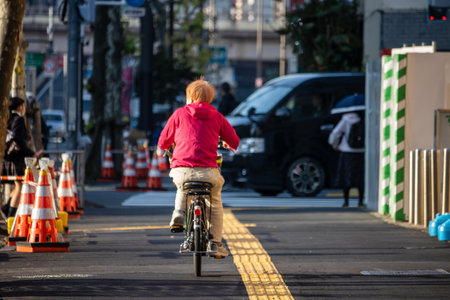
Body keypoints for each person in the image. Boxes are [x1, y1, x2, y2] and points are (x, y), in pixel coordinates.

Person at [157, 79, 240, 258]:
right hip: (208, 171)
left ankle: (179, 212)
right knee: (215, 202)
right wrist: (226, 143)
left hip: (182, 170)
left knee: (182, 187)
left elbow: (163, 141)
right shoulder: (218, 116)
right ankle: (216, 243)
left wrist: (166, 147)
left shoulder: (179, 114)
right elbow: (234, 142)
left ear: (190, 97)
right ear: (210, 98)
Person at [2, 97, 42, 218]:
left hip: (8, 158)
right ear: (20, 107)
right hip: (17, 159)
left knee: (17, 184)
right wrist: (30, 153)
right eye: (24, 106)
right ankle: (10, 215)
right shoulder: (18, 119)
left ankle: (7, 207)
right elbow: (18, 139)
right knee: (20, 186)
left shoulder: (8, 119)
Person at [328, 111, 364, 207]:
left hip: (347, 151)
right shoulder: (364, 118)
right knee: (360, 178)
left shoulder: (345, 119)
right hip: (361, 151)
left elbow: (335, 133)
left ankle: (346, 201)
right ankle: (360, 201)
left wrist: (334, 144)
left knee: (346, 178)